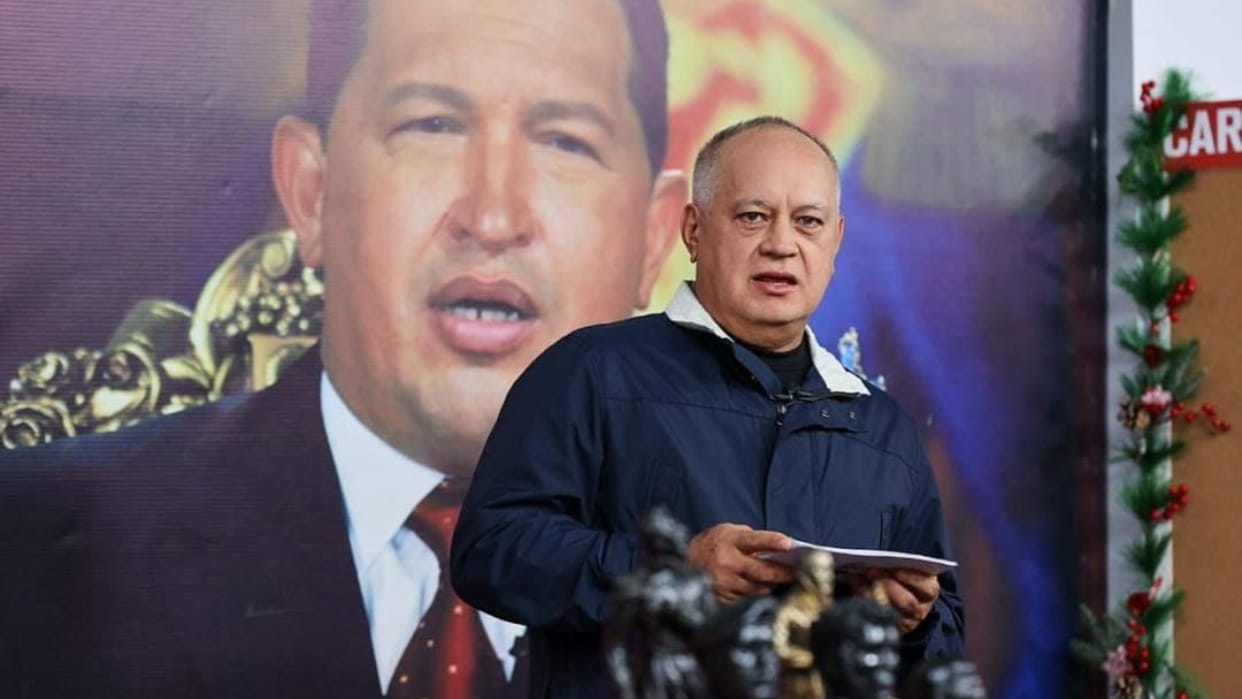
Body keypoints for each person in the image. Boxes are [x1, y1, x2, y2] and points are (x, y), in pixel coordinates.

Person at [0, 0, 683, 697]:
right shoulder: (31, 551)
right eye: (432, 125)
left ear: (654, 237)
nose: (492, 218)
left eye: (566, 141)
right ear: (311, 191)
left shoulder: (742, 591)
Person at [451, 116, 966, 698]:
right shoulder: (591, 372)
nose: (781, 244)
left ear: (836, 241)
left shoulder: (882, 426)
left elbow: (944, 631)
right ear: (693, 230)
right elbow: (491, 550)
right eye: (753, 216)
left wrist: (911, 622)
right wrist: (674, 572)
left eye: (808, 221)